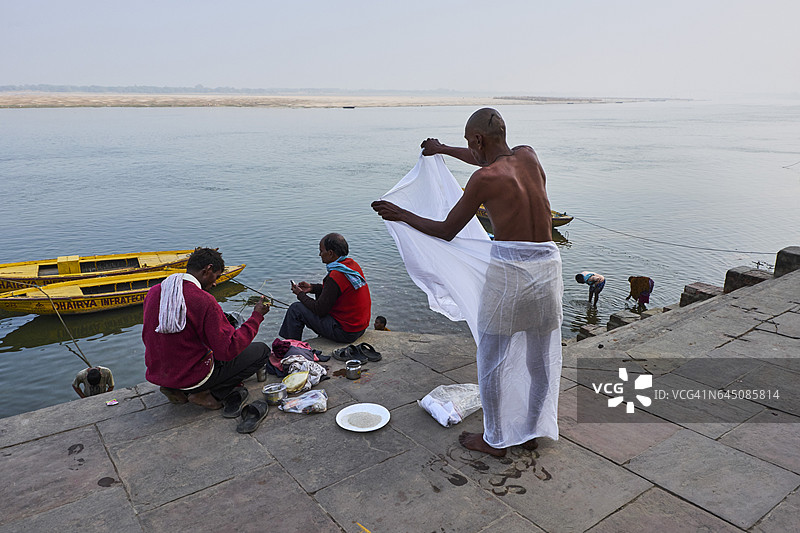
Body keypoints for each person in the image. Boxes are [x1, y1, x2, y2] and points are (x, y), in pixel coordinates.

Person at [372, 108, 562, 457]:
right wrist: (443, 149)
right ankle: (532, 431)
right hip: (548, 270)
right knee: (539, 360)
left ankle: (494, 439)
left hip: (510, 275)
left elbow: (447, 230)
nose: (470, 148)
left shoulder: (483, 179)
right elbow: (485, 159)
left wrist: (401, 214)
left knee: (491, 359)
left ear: (477, 139)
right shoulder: (529, 156)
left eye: (468, 142)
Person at [142, 247, 271, 410]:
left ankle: (175, 388)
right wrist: (257, 316)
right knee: (261, 351)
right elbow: (228, 350)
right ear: (207, 270)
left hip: (160, 373)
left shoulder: (155, 291)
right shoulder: (203, 300)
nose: (215, 283)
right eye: (216, 277)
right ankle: (206, 393)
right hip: (191, 376)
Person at [279, 233, 371, 343]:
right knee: (319, 295)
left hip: (345, 333)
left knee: (296, 309)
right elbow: (335, 290)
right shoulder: (351, 266)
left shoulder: (336, 275)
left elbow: (319, 310)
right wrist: (312, 288)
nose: (320, 254)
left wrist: (300, 294)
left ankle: (292, 346)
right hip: (359, 328)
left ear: (330, 253)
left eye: (321, 251)